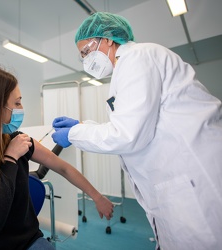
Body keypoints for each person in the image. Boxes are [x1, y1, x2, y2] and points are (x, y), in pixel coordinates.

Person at [51, 12, 222, 250]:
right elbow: (133, 124)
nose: (85, 61)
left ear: (108, 39)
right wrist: (82, 127)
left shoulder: (138, 57)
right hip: (177, 179)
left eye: (86, 51)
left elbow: (128, 134)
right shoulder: (129, 67)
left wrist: (74, 134)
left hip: (192, 180)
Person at [0, 64, 114, 250]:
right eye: (16, 103)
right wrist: (10, 159)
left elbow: (62, 167)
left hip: (28, 242)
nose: (21, 108)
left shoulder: (17, 140)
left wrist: (97, 197)